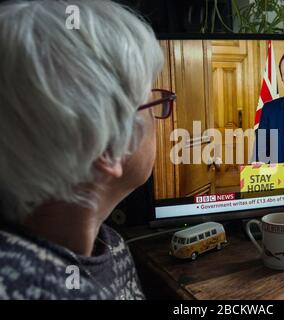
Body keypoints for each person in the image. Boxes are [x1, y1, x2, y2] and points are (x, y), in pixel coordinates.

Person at [0, 0, 172, 299]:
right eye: (152, 103)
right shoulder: (26, 289)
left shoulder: (108, 244)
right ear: (107, 149)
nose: (160, 118)